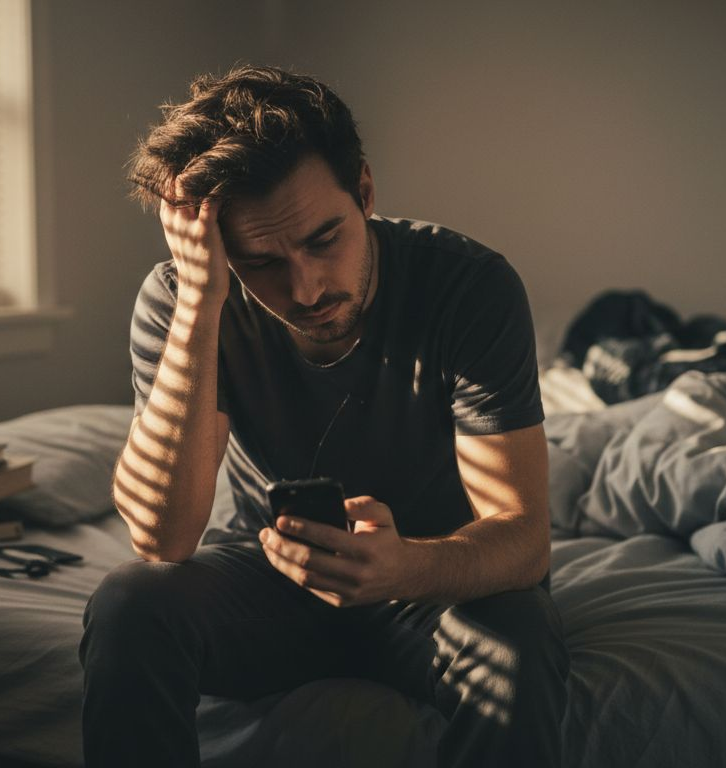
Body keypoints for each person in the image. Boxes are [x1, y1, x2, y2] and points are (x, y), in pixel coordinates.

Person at [81, 64, 568, 767]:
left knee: (521, 631)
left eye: (322, 240)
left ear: (364, 191)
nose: (305, 288)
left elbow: (525, 540)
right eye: (261, 260)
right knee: (131, 602)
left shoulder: (468, 286)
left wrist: (403, 569)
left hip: (435, 583)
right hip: (273, 584)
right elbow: (163, 537)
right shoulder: (186, 298)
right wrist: (200, 300)